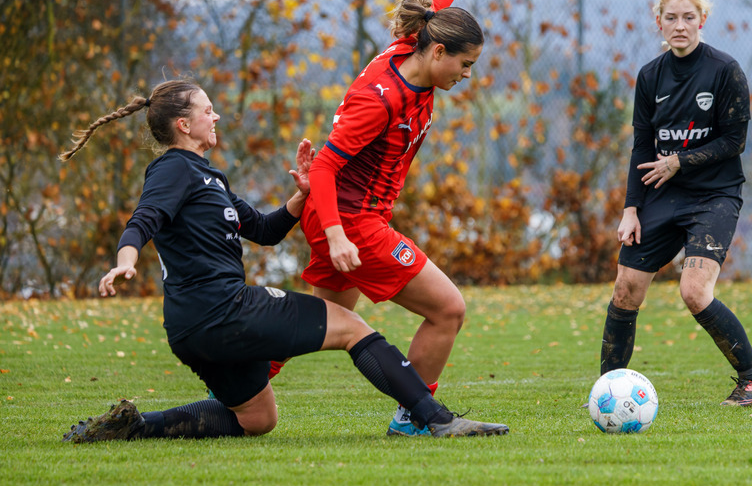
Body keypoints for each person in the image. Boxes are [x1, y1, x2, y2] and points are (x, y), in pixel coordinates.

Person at [57, 79, 508, 442]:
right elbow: (144, 218)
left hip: (190, 328)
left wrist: (301, 196)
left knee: (257, 418)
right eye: (206, 109)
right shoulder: (173, 168)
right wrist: (125, 259)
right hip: (222, 311)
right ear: (182, 125)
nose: (215, 115)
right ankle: (436, 418)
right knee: (353, 328)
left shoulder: (207, 176)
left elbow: (263, 231)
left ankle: (135, 426)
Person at [298, 0, 500, 436]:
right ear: (436, 52)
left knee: (315, 323)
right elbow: (323, 167)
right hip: (351, 222)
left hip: (338, 218)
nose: (467, 75)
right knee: (448, 309)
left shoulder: (412, 49)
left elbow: (437, 7)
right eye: (465, 64)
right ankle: (415, 418)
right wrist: (340, 233)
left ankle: (231, 388)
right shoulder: (383, 99)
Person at [599, 0, 752, 407]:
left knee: (694, 290)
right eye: (671, 18)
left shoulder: (725, 70)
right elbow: (642, 147)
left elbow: (734, 141)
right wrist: (631, 209)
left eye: (689, 18)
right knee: (625, 289)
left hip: (715, 196)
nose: (680, 26)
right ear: (659, 22)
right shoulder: (650, 75)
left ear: (702, 21)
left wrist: (680, 160)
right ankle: (607, 389)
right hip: (661, 197)